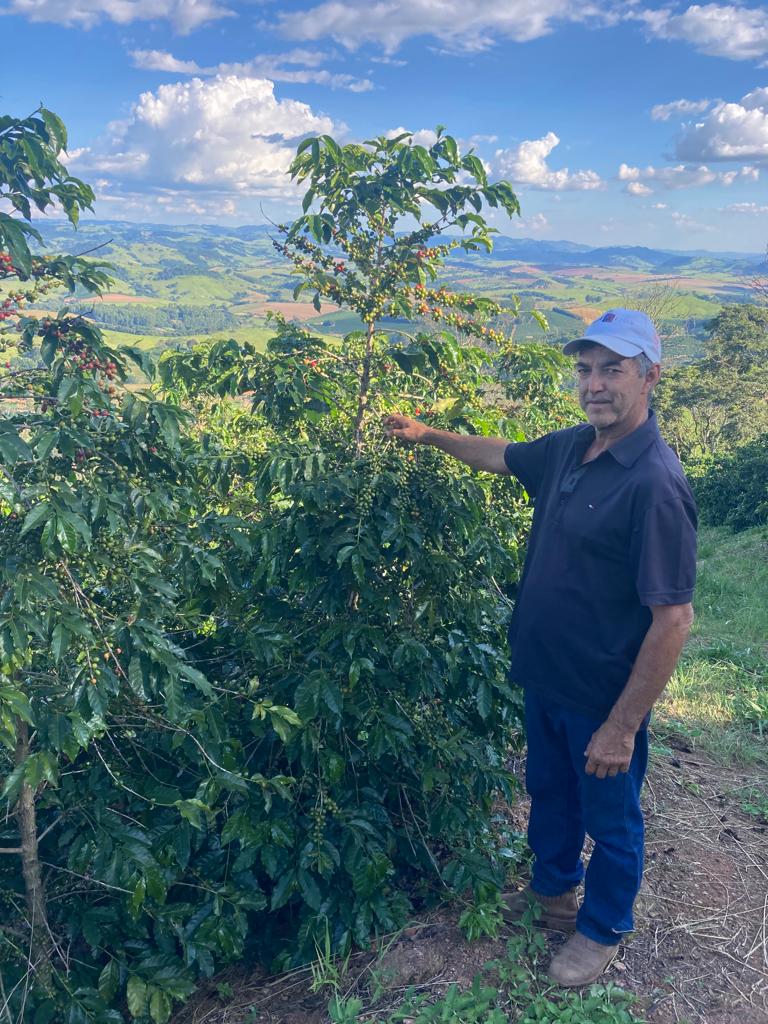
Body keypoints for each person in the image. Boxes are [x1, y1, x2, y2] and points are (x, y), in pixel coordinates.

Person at [384, 308, 697, 987]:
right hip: (547, 676)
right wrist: (429, 435)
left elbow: (673, 620)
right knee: (548, 789)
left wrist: (621, 725)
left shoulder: (654, 483)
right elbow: (502, 454)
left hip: (602, 694)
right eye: (585, 369)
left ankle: (604, 926)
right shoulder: (572, 447)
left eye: (612, 369)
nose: (595, 384)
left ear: (649, 377)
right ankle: (553, 894)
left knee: (610, 819)